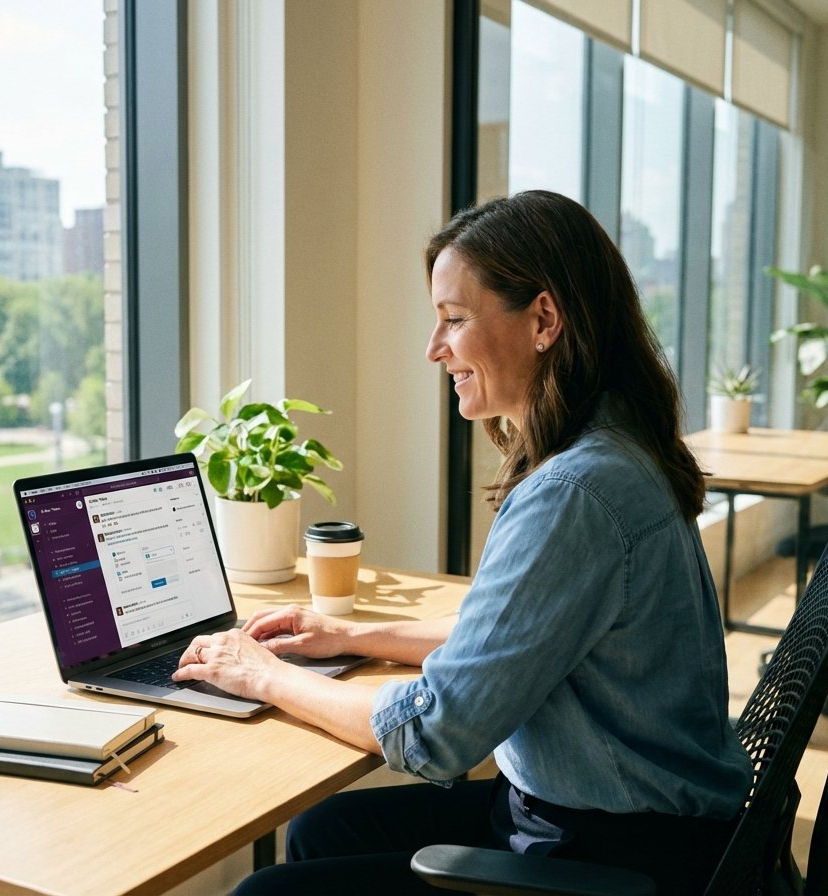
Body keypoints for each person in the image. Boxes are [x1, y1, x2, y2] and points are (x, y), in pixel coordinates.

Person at [172, 190, 752, 895]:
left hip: (613, 853)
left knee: (263, 892)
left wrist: (263, 675)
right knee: (320, 830)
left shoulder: (575, 493)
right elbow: (508, 641)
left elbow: (435, 733)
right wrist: (350, 632)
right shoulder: (617, 445)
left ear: (544, 319)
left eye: (453, 320)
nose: (433, 349)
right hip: (634, 817)